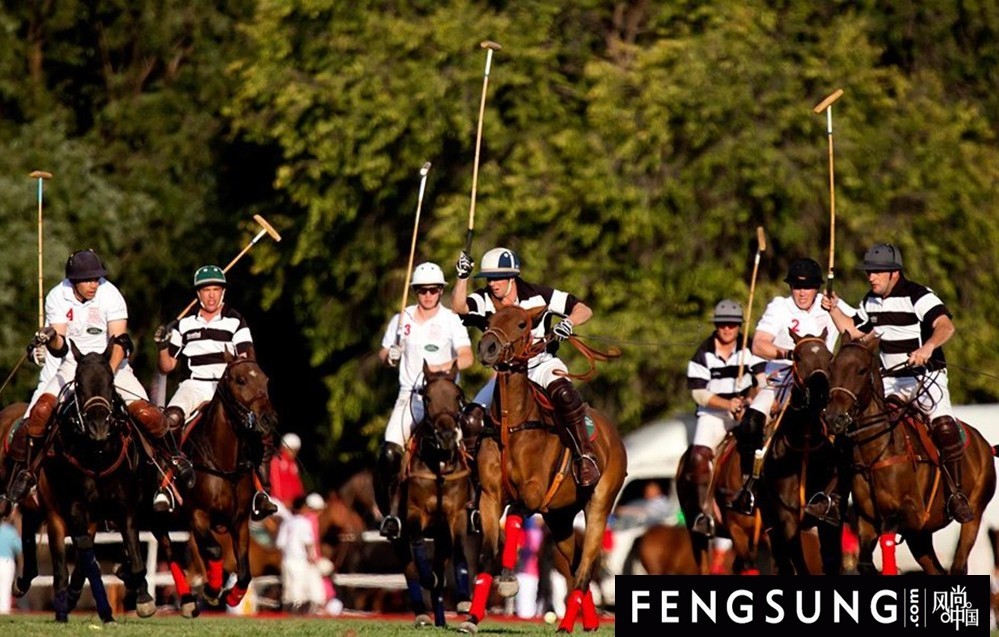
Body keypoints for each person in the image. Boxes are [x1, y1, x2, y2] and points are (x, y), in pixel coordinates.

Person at [0, 250, 191, 516]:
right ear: (73, 281)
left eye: (96, 278)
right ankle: (28, 473)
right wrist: (51, 336)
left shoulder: (110, 294)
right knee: (42, 411)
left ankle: (173, 458)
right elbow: (59, 348)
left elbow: (122, 342)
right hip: (74, 366)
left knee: (147, 413)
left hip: (113, 366)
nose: (94, 284)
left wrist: (106, 374)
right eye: (88, 280)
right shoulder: (58, 296)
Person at [819, 242, 972, 523]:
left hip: (927, 378)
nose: (871, 277)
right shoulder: (870, 301)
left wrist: (927, 348)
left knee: (945, 428)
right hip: (890, 382)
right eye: (869, 272)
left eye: (877, 272)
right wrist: (834, 309)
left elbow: (945, 326)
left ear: (895, 273)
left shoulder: (919, 296)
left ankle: (956, 494)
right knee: (851, 429)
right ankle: (834, 498)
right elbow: (854, 333)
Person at [452, 247, 599, 488]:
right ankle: (473, 483)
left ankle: (585, 456)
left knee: (566, 396)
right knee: (470, 418)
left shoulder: (538, 295)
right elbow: (459, 307)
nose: (492, 284)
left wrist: (567, 323)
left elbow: (583, 308)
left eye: (498, 278)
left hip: (541, 365)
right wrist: (462, 277)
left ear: (512, 278)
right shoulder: (484, 298)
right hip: (506, 375)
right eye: (489, 279)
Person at [153, 265, 276, 518]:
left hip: (229, 386)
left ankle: (261, 491)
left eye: (216, 290)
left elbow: (244, 360)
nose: (211, 295)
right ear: (198, 294)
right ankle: (164, 485)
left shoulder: (235, 320)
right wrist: (164, 345)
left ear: (223, 293)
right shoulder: (184, 324)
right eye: (206, 290)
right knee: (170, 419)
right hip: (195, 384)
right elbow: (167, 366)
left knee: (257, 427)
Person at [729, 258, 848, 516]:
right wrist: (789, 352)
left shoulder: (828, 304)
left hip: (821, 384)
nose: (802, 292)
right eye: (796, 286)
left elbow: (855, 332)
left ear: (818, 287)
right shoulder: (780, 307)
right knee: (750, 423)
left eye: (808, 287)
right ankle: (750, 487)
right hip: (781, 381)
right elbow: (759, 344)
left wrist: (836, 309)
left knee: (845, 425)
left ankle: (842, 492)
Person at [376, 261, 474, 539]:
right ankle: (392, 513)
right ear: (416, 291)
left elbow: (467, 356)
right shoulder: (401, 319)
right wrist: (390, 356)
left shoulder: (450, 320)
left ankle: (474, 507)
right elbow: (383, 355)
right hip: (410, 397)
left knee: (473, 445)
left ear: (441, 291)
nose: (428, 295)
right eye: (422, 290)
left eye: (433, 290)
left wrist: (446, 365)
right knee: (390, 452)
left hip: (444, 400)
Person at [684, 299, 763, 537]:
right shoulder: (704, 353)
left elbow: (763, 382)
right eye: (722, 324)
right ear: (716, 325)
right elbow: (698, 393)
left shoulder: (750, 349)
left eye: (732, 324)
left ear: (739, 326)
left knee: (765, 450)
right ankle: (703, 513)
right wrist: (727, 403)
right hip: (714, 415)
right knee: (698, 457)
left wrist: (748, 401)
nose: (727, 329)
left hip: (746, 413)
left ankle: (761, 500)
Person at [275, 493, 327, 614]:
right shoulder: (304, 523)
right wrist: (312, 556)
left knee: (288, 590)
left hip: (286, 560)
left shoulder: (286, 523)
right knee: (299, 590)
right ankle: (297, 615)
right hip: (299, 560)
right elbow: (308, 542)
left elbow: (280, 544)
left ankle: (286, 613)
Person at [270, 432, 306, 510]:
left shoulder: (294, 465)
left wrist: (300, 501)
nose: (293, 453)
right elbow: (276, 483)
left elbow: (298, 485)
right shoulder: (276, 461)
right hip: (278, 502)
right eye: (291, 449)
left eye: (295, 450)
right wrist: (282, 500)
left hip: (293, 504)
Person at [0, 518, 21, 614]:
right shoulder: (10, 531)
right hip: (7, 562)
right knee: (5, 588)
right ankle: (3, 610)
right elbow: (18, 547)